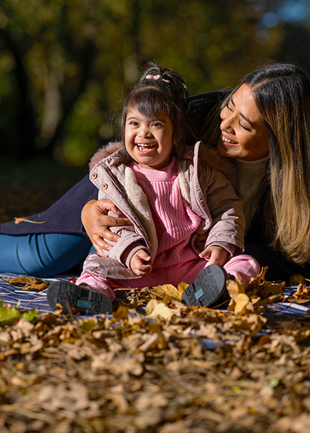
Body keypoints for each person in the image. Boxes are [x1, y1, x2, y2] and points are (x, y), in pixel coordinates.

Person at [0, 63, 310, 281]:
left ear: (282, 140)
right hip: (129, 193)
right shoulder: (197, 117)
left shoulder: (301, 187)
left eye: (243, 123)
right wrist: (87, 212)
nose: (224, 123)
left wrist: (232, 252)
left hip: (183, 243)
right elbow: (129, 148)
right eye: (229, 107)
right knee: (50, 256)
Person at [45, 66, 260, 314]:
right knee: (96, 267)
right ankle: (90, 295)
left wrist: (220, 243)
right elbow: (114, 226)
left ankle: (219, 289)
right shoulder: (117, 177)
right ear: (124, 128)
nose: (143, 133)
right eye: (134, 123)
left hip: (191, 263)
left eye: (156, 124)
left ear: (176, 134)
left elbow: (227, 208)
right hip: (139, 267)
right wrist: (131, 252)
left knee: (245, 262)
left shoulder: (198, 171)